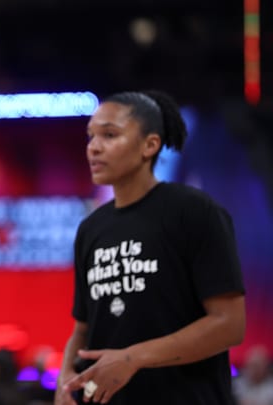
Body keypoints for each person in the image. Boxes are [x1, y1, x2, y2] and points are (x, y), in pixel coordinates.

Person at [55, 90, 246, 404]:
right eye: (90, 136)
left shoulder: (194, 211)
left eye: (110, 135)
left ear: (150, 145)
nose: (94, 147)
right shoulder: (91, 227)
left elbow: (229, 325)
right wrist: (65, 380)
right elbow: (83, 328)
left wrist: (133, 358)